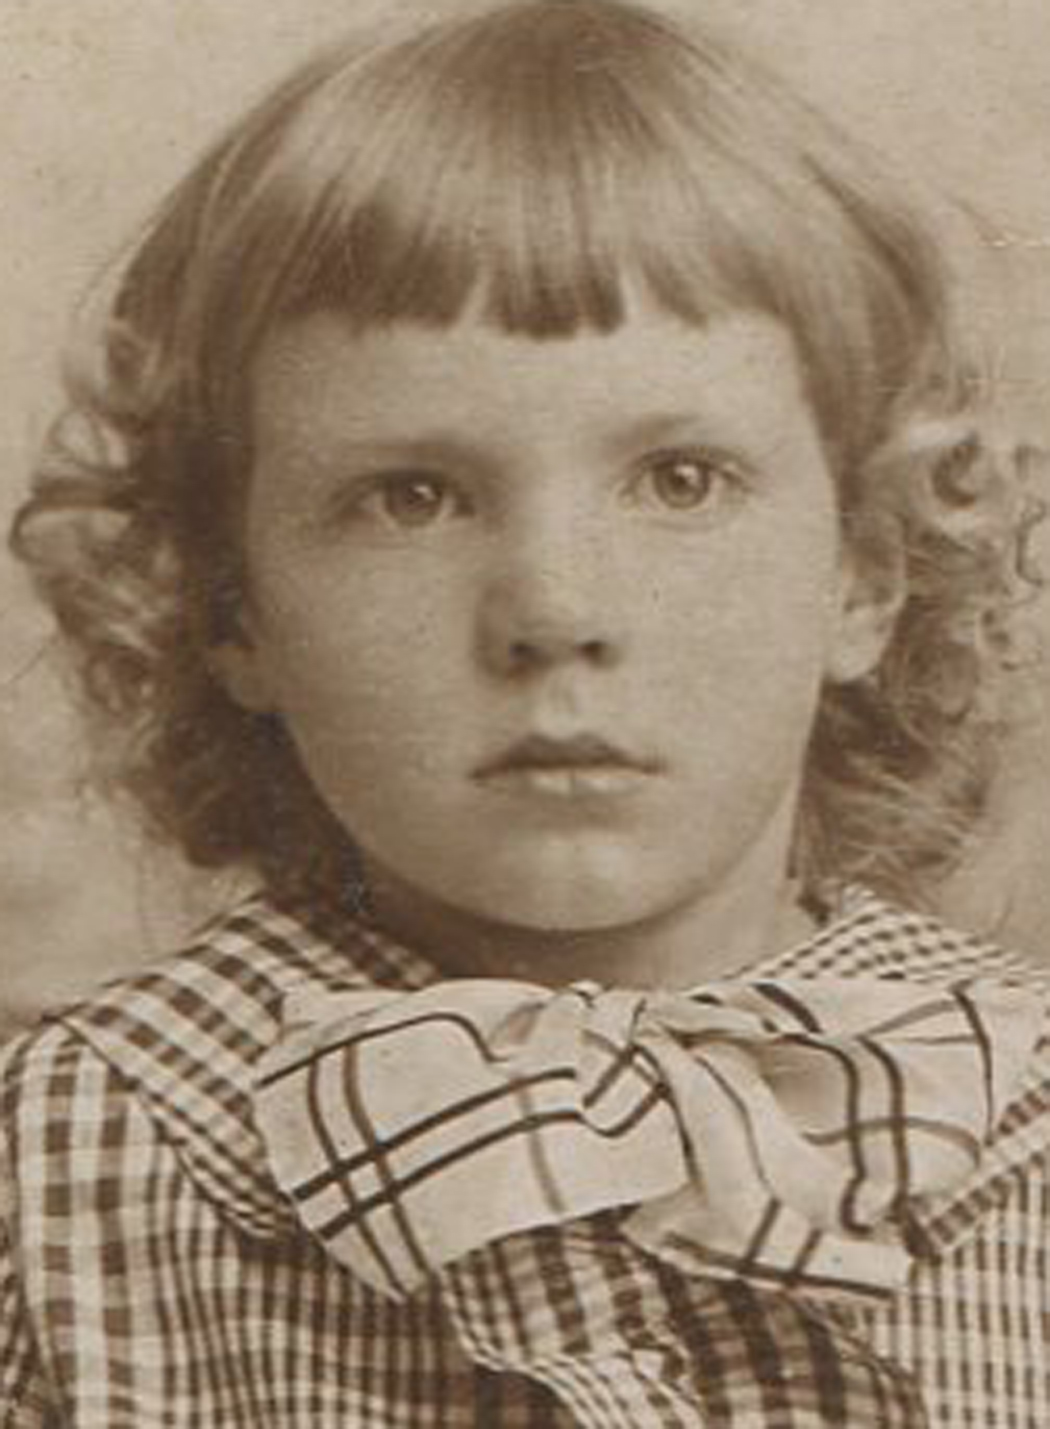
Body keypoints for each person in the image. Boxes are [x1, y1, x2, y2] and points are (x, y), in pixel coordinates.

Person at [2, 1, 1047, 1423]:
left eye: (680, 480)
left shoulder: (1014, 1102)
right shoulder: (91, 1144)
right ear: (230, 604)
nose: (554, 610)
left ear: (863, 572)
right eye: (411, 497)